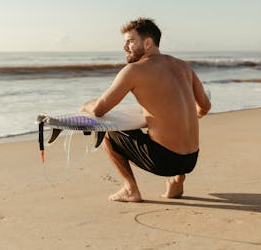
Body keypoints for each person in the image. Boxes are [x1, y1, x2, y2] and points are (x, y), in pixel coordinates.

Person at [80, 17, 211, 203]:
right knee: (165, 131)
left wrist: (87, 105)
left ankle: (130, 189)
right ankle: (176, 178)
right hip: (191, 159)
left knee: (108, 133)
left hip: (164, 161)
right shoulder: (184, 67)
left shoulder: (134, 70)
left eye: (130, 41)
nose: (125, 47)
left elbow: (100, 110)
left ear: (147, 43)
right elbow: (205, 106)